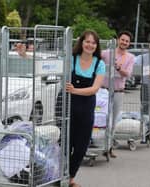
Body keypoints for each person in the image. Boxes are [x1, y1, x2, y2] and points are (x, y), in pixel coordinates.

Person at [66, 30, 105, 187]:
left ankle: (70, 176)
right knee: (65, 144)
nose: (90, 45)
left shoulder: (99, 64)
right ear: (81, 42)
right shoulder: (71, 59)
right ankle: (65, 179)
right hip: (67, 106)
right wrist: (24, 55)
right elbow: (48, 66)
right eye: (87, 41)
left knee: (81, 146)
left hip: (86, 107)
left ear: (96, 46)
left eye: (93, 42)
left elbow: (95, 88)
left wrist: (74, 90)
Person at [101, 31, 135, 157]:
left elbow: (128, 74)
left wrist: (120, 68)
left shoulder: (130, 57)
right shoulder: (107, 53)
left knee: (113, 121)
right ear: (118, 40)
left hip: (118, 92)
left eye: (127, 41)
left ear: (129, 43)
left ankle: (109, 147)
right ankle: (98, 145)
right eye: (122, 40)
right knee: (101, 119)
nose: (124, 42)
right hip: (104, 91)